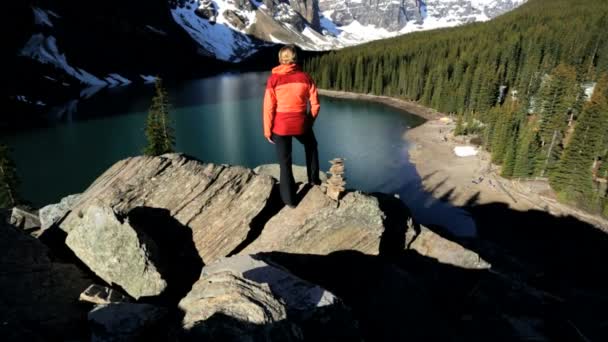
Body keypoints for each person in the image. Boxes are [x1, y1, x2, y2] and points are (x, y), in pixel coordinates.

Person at [263, 45, 321, 207]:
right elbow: (315, 105)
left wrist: (267, 130)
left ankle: (290, 201)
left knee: (285, 163)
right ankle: (314, 181)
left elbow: (268, 107)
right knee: (311, 146)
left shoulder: (273, 80)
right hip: (301, 124)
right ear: (295, 59)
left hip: (280, 127)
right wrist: (308, 122)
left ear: (281, 60)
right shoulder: (305, 77)